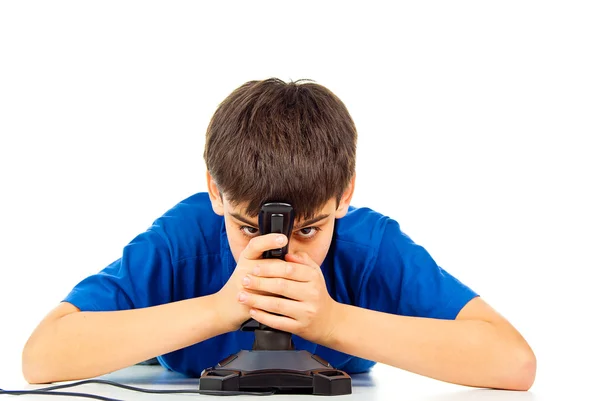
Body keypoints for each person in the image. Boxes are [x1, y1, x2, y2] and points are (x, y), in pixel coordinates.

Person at [22, 78, 536, 390]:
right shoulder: (186, 239)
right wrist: (222, 308)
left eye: (310, 229)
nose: (279, 253)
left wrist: (330, 320)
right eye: (249, 228)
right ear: (215, 192)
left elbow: (512, 361)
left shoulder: (369, 248)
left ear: (345, 193)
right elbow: (42, 355)